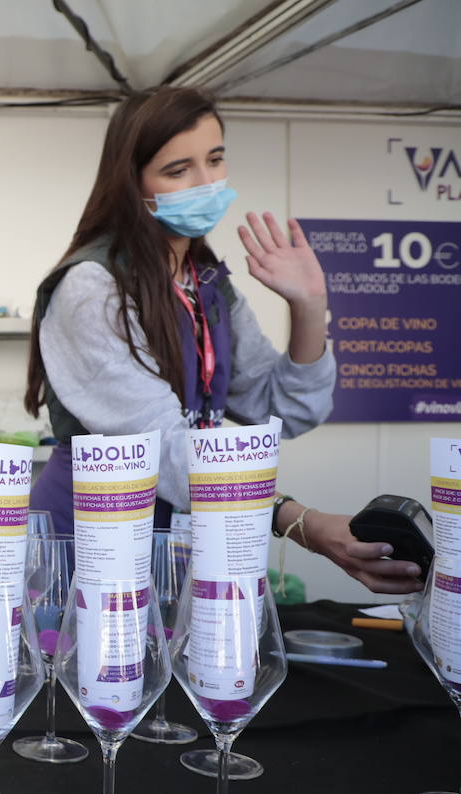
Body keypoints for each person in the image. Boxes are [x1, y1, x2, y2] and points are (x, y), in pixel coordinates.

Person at [24, 87, 421, 595]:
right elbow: (162, 453)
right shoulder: (93, 288)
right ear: (131, 181)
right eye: (178, 170)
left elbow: (282, 410)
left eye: (214, 160)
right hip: (89, 542)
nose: (207, 183)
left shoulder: (206, 282)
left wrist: (308, 305)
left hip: (185, 535)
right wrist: (297, 520)